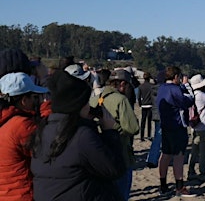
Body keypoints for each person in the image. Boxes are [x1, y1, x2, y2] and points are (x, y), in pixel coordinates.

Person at [30, 70, 126, 200]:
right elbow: (114, 169)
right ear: (78, 105)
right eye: (87, 102)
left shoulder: (43, 129)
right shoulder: (82, 136)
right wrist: (109, 132)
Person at [89, 69, 140, 200]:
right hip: (121, 152)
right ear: (122, 84)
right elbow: (133, 128)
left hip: (100, 154)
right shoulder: (121, 100)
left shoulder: (94, 99)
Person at [0, 72, 48, 201]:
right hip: (22, 194)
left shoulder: (4, 120)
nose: (36, 101)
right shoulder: (22, 125)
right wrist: (48, 111)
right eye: (34, 97)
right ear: (24, 100)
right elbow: (45, 151)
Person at [156, 66, 196, 197]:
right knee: (179, 156)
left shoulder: (162, 88)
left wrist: (182, 87)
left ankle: (163, 185)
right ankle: (179, 187)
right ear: (176, 77)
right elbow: (188, 101)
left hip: (166, 125)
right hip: (177, 126)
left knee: (165, 154)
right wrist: (187, 86)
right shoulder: (175, 89)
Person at [187, 74, 205, 182]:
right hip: (203, 127)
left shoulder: (193, 95)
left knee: (194, 151)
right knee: (203, 152)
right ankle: (202, 173)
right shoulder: (201, 95)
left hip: (194, 127)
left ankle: (191, 172)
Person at [138, 72, 153, 141]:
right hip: (150, 104)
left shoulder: (141, 86)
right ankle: (149, 135)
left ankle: (142, 136)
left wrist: (140, 104)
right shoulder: (151, 86)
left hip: (144, 105)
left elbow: (139, 96)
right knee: (149, 121)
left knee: (143, 121)